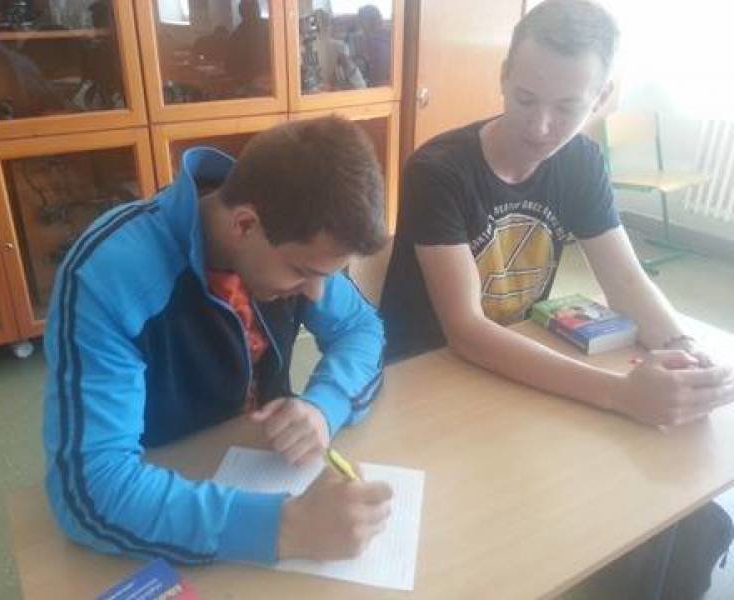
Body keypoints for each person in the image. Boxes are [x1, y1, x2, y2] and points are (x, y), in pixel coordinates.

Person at [380, 0, 732, 596]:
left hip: (521, 364)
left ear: (602, 97)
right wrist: (621, 394)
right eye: (525, 99)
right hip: (426, 376)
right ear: (503, 76)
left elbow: (625, 281)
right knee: (503, 536)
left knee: (665, 511)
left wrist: (682, 349)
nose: (540, 127)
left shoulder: (582, 161)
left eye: (567, 107)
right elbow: (465, 331)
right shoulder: (439, 169)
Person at [42, 116, 393, 565]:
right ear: (244, 225)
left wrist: (325, 405)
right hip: (161, 489)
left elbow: (361, 329)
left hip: (264, 465)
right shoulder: (107, 274)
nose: (316, 294)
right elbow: (91, 491)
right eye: (304, 272)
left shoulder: (293, 231)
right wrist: (286, 528)